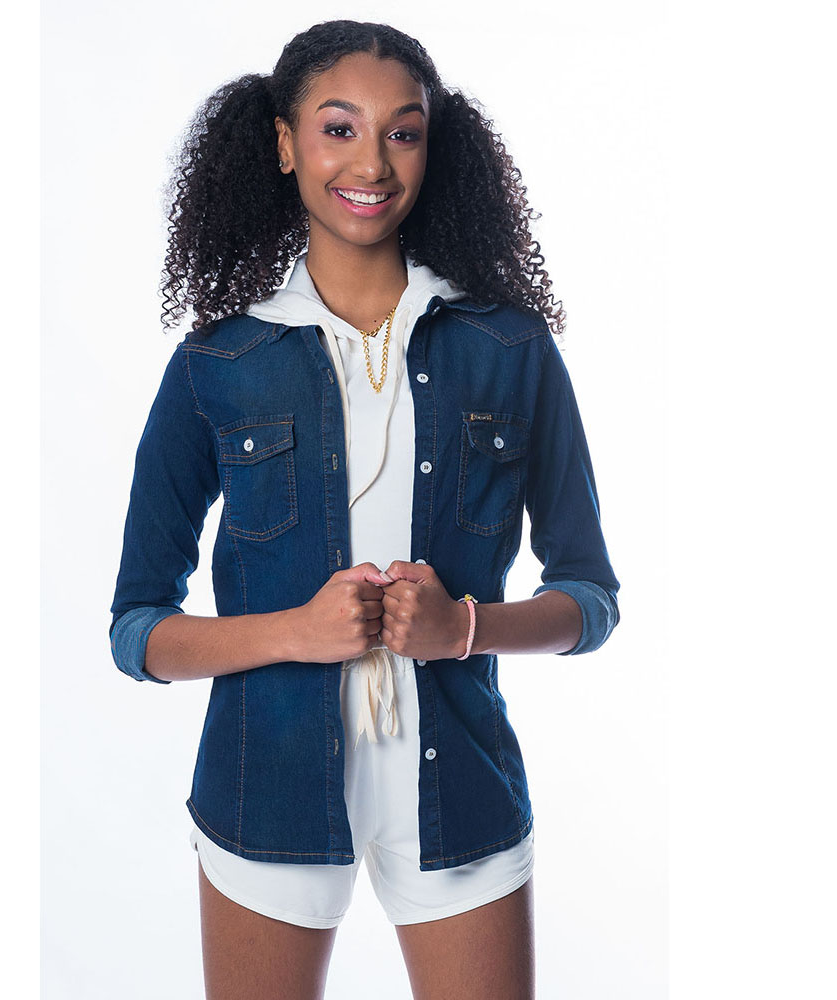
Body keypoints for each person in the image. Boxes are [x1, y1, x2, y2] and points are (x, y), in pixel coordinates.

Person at [109, 19, 620, 1000]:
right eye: (339, 128)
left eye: (403, 132)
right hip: (265, 792)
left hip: (459, 794)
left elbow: (589, 599)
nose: (373, 164)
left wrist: (462, 628)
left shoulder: (509, 350)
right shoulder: (217, 364)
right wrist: (294, 633)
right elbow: (138, 631)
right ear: (283, 142)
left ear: (433, 146)